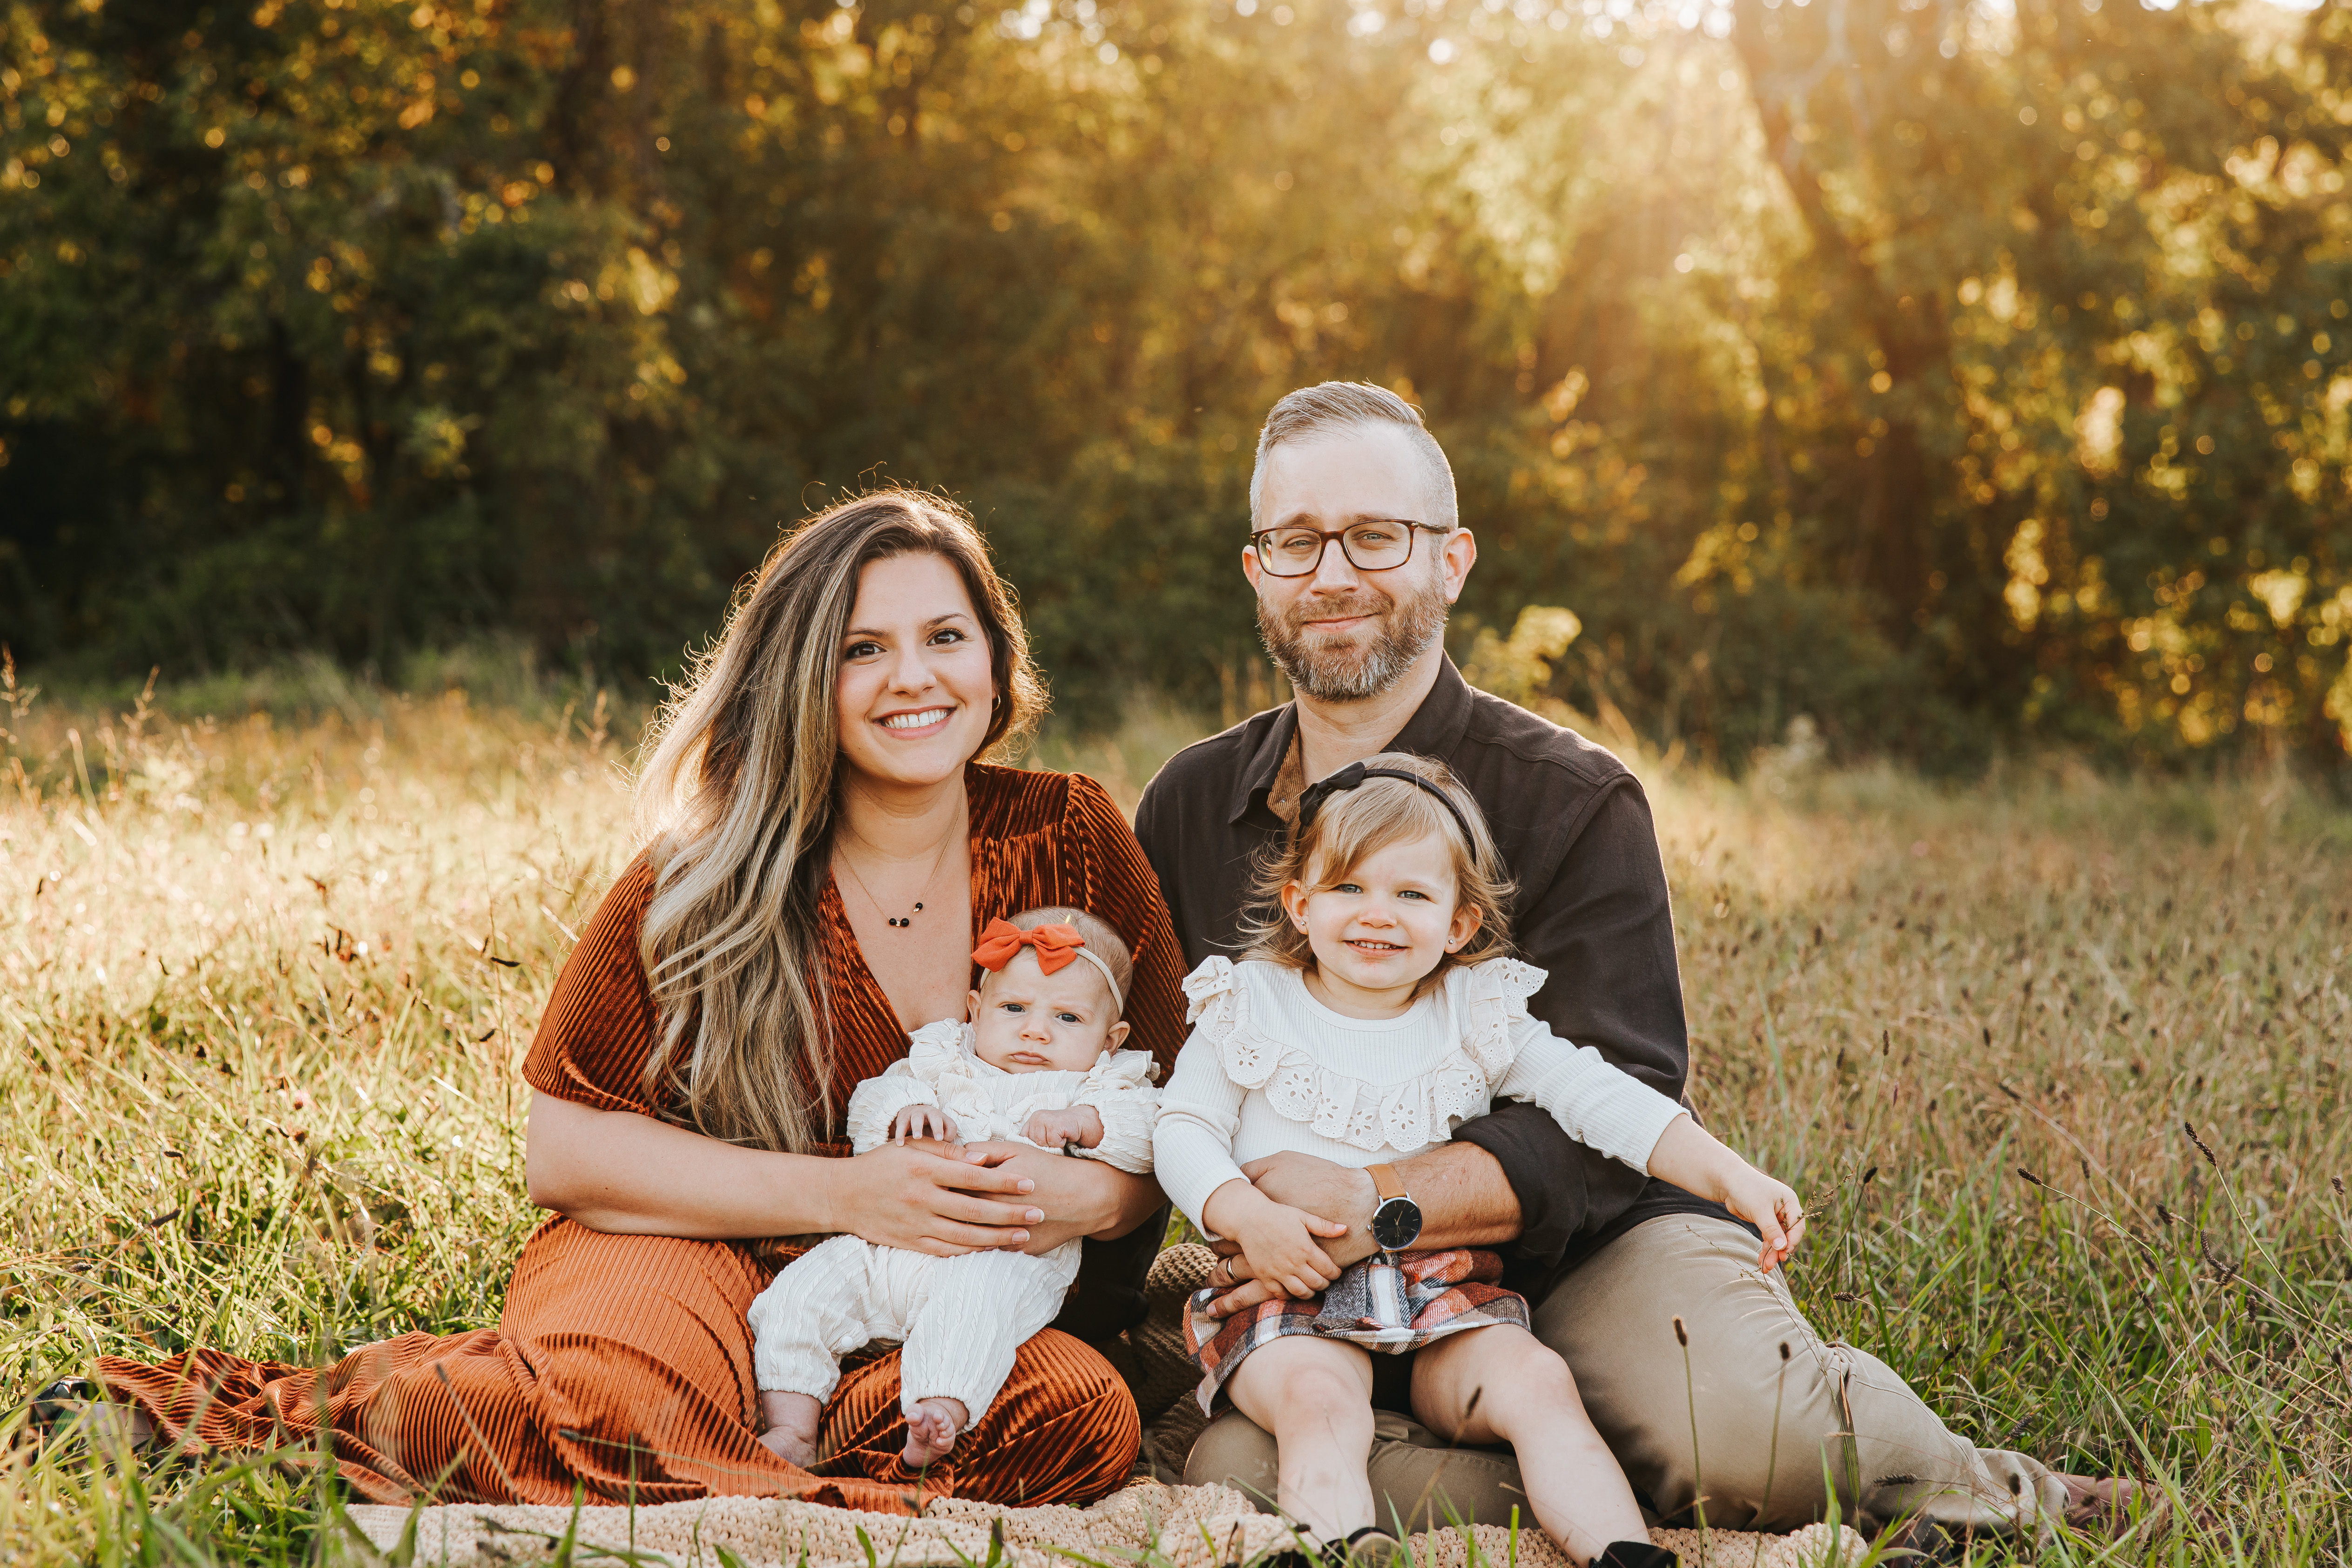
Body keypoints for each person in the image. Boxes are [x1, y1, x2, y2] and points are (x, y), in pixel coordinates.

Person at [1131, 383, 2155, 1548]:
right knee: (1235, 1459)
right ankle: (1602, 1463)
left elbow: (1605, 1107)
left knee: (1750, 1430)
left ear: (1451, 562)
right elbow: (1148, 1080)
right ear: (1256, 568)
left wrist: (1378, 1204)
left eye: (1375, 536)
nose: (1332, 573)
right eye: (1294, 541)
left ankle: (1966, 1482)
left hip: (1582, 1249)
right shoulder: (1189, 804)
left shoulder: (1572, 796)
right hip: (1323, 1298)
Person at [80, 490, 1188, 1512]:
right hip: (691, 1244)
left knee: (1071, 1423)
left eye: (945, 637)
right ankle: (229, 1424)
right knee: (608, 1411)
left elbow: (1175, 1124)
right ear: (803, 676)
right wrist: (852, 1195)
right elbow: (561, 1154)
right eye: (863, 649)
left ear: (993, 661)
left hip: (959, 1292)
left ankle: (747, 1463)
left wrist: (1086, 1201)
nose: (916, 677)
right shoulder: (699, 877)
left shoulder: (1072, 838)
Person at [1154, 753, 1805, 1568]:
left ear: (1458, 923)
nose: (1376, 915)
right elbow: (1180, 1125)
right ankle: (1335, 1548)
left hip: (1439, 1291)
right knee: (1323, 1404)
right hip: (1290, 1294)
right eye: (1348, 887)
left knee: (1536, 1381)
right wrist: (1242, 1212)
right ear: (1300, 901)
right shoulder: (1249, 1003)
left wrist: (1731, 1176)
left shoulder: (1476, 1011)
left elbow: (1604, 1098)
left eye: (1411, 894)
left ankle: (1623, 1552)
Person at [751, 907, 1159, 1471]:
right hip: (888, 1246)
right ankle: (792, 1425)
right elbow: (872, 1100)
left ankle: (938, 1414)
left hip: (1002, 1258)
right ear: (976, 1010)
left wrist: (1089, 1123)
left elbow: (1149, 1134)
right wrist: (908, 1111)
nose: (1034, 1029)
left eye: (1066, 1016)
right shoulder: (945, 1059)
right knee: (801, 1292)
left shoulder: (1102, 1083)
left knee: (974, 1313)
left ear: (1110, 1038)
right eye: (1013, 1007)